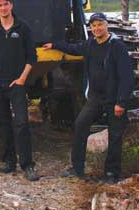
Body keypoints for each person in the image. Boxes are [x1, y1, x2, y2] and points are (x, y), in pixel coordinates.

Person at [43, 12, 132, 184]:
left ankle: (111, 173)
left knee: (115, 135)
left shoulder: (117, 47)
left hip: (114, 100)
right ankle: (77, 168)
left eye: (100, 24)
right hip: (96, 98)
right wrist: (55, 44)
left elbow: (127, 77)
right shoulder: (90, 44)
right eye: (94, 25)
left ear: (107, 26)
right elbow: (74, 48)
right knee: (80, 124)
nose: (97, 28)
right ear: (91, 28)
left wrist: (121, 102)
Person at [0, 0, 39, 181]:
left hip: (17, 83)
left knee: (22, 122)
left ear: (11, 5)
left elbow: (32, 57)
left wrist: (22, 78)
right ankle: (9, 161)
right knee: (3, 124)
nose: (3, 8)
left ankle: (28, 165)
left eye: (5, 4)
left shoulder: (22, 27)